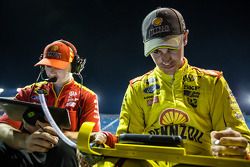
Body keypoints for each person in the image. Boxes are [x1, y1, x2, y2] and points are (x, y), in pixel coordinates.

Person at [92, 7, 250, 166]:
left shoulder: (213, 83)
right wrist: (106, 140)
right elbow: (125, 145)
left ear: (185, 37)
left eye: (171, 48)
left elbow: (243, 141)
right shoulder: (137, 88)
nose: (165, 59)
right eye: (156, 52)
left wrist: (239, 147)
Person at [0, 39, 101, 167]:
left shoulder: (87, 96)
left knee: (63, 150)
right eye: (48, 65)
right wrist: (25, 141)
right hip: (30, 153)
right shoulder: (28, 92)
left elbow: (93, 136)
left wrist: (61, 134)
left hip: (63, 156)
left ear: (74, 66)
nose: (51, 71)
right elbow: (2, 127)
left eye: (58, 66)